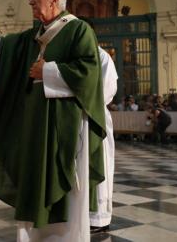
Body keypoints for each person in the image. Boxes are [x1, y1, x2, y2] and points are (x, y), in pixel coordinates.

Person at [0, 0, 106, 241]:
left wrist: (47, 71)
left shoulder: (78, 30)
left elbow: (89, 72)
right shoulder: (33, 35)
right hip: (33, 122)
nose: (30, 2)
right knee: (34, 175)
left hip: (65, 121)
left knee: (62, 176)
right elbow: (3, 50)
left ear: (54, 0)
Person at [79, 18, 119, 233]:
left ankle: (98, 218)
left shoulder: (101, 57)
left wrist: (80, 103)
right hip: (73, 121)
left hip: (94, 118)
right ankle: (78, 213)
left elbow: (107, 89)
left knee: (98, 166)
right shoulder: (74, 57)